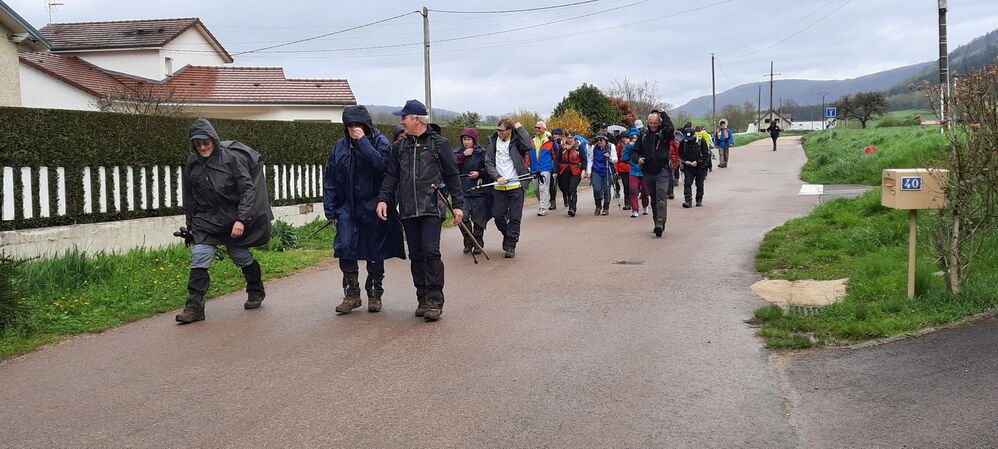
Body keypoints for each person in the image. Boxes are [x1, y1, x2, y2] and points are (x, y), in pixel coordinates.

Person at [177, 118, 274, 324]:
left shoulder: (231, 159)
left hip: (232, 220)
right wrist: (191, 224)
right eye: (197, 144)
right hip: (205, 221)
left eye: (206, 143)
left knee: (240, 256)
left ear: (213, 140)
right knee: (200, 257)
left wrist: (241, 220)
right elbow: (189, 196)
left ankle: (255, 289)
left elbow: (248, 190)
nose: (202, 147)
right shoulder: (192, 163)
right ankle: (194, 307)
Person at [377, 99, 464, 322]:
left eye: (404, 117)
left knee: (430, 251)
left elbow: (452, 175)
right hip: (407, 207)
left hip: (432, 207)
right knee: (415, 254)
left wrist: (458, 205)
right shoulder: (399, 146)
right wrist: (383, 199)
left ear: (417, 119)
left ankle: (435, 300)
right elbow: (391, 176)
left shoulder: (439, 143)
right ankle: (422, 298)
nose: (401, 121)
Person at [323, 105, 406, 314]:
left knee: (374, 251)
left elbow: (382, 169)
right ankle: (352, 294)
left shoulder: (381, 143)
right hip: (346, 208)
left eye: (357, 124)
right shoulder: (339, 147)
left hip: (373, 205)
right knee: (344, 247)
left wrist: (363, 143)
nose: (353, 129)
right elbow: (330, 179)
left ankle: (374, 294)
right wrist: (330, 209)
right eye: (350, 125)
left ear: (366, 124)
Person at [485, 117, 532, 258]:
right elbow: (488, 162)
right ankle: (508, 235)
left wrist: (520, 128)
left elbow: (528, 145)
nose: (498, 132)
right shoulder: (492, 142)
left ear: (509, 130)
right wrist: (497, 177)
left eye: (501, 130)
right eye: (497, 129)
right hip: (499, 187)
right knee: (498, 216)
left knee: (515, 217)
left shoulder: (517, 142)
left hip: (516, 185)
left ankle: (511, 244)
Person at [630, 111, 676, 237]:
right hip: (648, 172)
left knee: (661, 195)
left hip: (662, 171)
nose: (652, 125)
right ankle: (657, 222)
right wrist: (637, 159)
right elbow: (634, 152)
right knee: (654, 198)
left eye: (655, 123)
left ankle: (661, 221)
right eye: (650, 123)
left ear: (659, 122)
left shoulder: (664, 134)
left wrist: (664, 114)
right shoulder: (643, 135)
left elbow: (671, 128)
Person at [454, 128, 492, 254]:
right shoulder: (457, 152)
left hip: (479, 190)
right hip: (462, 190)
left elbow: (489, 169)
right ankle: (468, 241)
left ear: (474, 140)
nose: (466, 142)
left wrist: (479, 173)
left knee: (478, 219)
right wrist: (463, 156)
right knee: (463, 217)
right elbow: (451, 167)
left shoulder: (482, 153)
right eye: (464, 139)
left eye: (469, 139)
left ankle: (478, 242)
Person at [555, 129, 587, 217]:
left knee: (572, 189)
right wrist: (555, 171)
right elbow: (557, 159)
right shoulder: (562, 146)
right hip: (564, 169)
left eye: (571, 137)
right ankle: (568, 200)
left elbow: (584, 159)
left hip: (575, 170)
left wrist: (583, 170)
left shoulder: (579, 146)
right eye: (568, 138)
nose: (570, 139)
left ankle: (572, 208)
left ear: (574, 137)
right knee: (564, 188)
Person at [679, 124, 711, 208]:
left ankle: (699, 200)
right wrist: (684, 161)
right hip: (688, 167)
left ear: (694, 135)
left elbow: (706, 155)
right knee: (687, 184)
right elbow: (680, 154)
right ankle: (688, 201)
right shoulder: (683, 142)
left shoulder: (701, 141)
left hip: (700, 167)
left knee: (699, 184)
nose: (688, 140)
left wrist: (697, 162)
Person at [527, 120, 555, 216]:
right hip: (534, 168)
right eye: (536, 127)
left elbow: (554, 155)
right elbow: (528, 154)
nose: (536, 129)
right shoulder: (532, 140)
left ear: (544, 129)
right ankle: (544, 202)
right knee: (535, 189)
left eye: (539, 127)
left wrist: (554, 168)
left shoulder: (550, 141)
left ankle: (543, 207)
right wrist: (527, 165)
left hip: (545, 168)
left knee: (543, 188)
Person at [587, 133, 618, 215]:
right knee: (596, 188)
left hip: (607, 170)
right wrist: (589, 171)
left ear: (605, 140)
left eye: (601, 140)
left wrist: (610, 157)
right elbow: (590, 159)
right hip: (596, 170)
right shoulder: (593, 147)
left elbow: (615, 159)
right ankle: (598, 205)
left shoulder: (611, 146)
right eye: (598, 140)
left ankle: (606, 207)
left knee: (607, 189)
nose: (599, 142)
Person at [621, 129, 649, 218]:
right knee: (632, 190)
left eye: (636, 138)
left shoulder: (644, 146)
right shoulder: (629, 147)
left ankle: (645, 206)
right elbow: (624, 157)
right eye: (632, 138)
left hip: (644, 172)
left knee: (645, 191)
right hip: (633, 171)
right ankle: (635, 209)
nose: (634, 140)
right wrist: (627, 147)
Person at [614, 130, 632, 210]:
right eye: (623, 138)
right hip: (622, 168)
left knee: (632, 186)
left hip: (631, 167)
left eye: (626, 137)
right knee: (626, 185)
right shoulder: (619, 146)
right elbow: (617, 157)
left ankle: (632, 201)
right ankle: (627, 203)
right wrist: (616, 169)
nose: (624, 139)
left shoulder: (632, 144)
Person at [547, 128, 563, 211]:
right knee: (552, 184)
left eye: (557, 134)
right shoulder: (551, 142)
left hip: (563, 166)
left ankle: (566, 196)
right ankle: (553, 202)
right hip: (553, 165)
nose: (555, 136)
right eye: (554, 134)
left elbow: (558, 151)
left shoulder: (564, 143)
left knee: (562, 184)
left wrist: (556, 142)